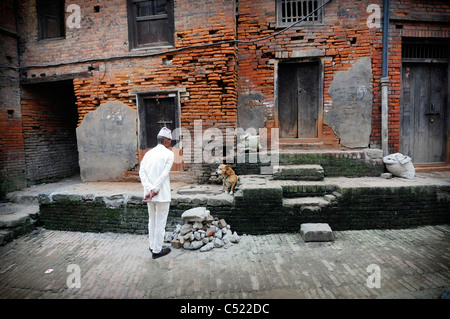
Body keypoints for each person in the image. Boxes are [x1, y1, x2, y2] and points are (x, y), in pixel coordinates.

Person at [139, 127, 174, 259]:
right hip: (162, 195)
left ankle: (152, 245)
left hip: (149, 194)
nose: (170, 143)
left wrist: (149, 189)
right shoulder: (169, 154)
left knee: (152, 220)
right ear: (166, 141)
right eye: (169, 141)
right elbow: (164, 175)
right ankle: (157, 251)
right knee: (160, 223)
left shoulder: (148, 154)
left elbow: (142, 172)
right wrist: (155, 190)